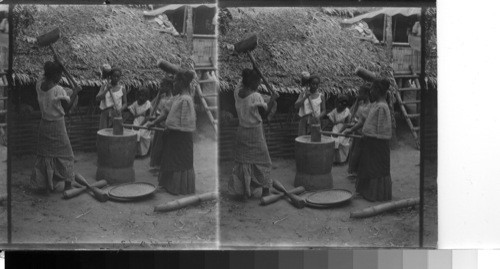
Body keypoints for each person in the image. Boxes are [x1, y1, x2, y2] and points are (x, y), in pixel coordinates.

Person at [30, 60, 81, 193]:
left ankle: (46, 186)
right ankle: (68, 185)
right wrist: (75, 91)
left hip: (44, 124)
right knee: (67, 155)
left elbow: (44, 74)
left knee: (45, 156)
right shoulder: (58, 90)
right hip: (58, 126)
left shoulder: (39, 85)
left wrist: (58, 65)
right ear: (56, 75)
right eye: (60, 75)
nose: (61, 78)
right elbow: (67, 108)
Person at [228, 68, 279, 199]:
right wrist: (272, 99)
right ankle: (266, 190)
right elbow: (265, 114)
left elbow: (242, 82)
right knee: (264, 161)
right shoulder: (256, 96)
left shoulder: (237, 92)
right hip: (255, 133)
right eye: (258, 82)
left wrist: (254, 70)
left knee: (243, 162)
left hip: (242, 131)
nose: (259, 85)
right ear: (253, 83)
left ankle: (243, 191)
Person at [146, 70, 197, 195]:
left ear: (181, 83)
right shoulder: (177, 97)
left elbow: (185, 124)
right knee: (169, 160)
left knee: (179, 161)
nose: (173, 84)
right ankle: (168, 185)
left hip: (182, 138)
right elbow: (165, 113)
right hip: (172, 136)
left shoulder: (186, 100)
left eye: (175, 82)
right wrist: (153, 123)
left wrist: (171, 128)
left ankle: (178, 188)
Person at [346, 78, 392, 202]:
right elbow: (362, 120)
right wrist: (350, 130)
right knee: (366, 167)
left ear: (377, 91)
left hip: (378, 144)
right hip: (369, 142)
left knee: (376, 168)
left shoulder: (382, 107)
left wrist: (370, 137)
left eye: (372, 90)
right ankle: (365, 192)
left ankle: (375, 194)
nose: (370, 92)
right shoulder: (374, 104)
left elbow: (382, 130)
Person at [344, 84, 372, 178]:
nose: (358, 94)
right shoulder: (361, 104)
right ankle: (354, 172)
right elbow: (354, 115)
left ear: (366, 94)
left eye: (360, 93)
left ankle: (359, 173)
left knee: (360, 153)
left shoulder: (369, 106)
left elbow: (362, 122)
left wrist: (350, 129)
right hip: (356, 130)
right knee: (354, 152)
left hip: (362, 132)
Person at [149, 76, 174, 169]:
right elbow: (152, 105)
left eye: (162, 86)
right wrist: (158, 95)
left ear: (168, 86)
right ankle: (158, 165)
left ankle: (163, 166)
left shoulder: (171, 99)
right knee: (157, 145)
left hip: (164, 124)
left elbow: (167, 114)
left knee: (163, 146)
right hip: (158, 123)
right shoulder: (162, 96)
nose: (160, 87)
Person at [127, 87, 152, 157]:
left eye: (144, 95)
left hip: (144, 122)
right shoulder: (135, 103)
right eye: (140, 95)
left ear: (146, 96)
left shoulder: (148, 104)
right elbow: (132, 113)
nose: (142, 97)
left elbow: (147, 117)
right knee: (135, 134)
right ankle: (135, 152)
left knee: (142, 135)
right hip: (137, 121)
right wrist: (137, 116)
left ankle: (143, 153)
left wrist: (140, 125)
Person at [326, 95, 351, 164]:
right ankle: (335, 160)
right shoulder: (334, 111)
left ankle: (342, 160)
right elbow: (332, 121)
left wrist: (339, 132)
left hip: (344, 129)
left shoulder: (347, 111)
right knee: (334, 142)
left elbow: (347, 124)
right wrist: (337, 124)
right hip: (336, 128)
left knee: (342, 143)